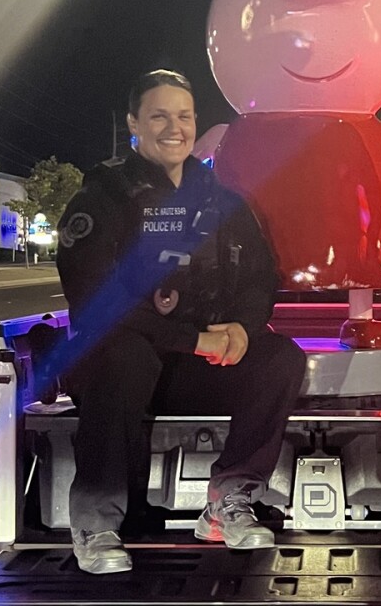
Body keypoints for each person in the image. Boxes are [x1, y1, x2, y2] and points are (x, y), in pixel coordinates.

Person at [54, 69, 307, 574]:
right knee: (121, 353)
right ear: (134, 123)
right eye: (160, 116)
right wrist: (191, 338)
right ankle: (96, 521)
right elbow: (99, 302)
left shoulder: (221, 199)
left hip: (198, 362)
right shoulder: (103, 198)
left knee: (281, 357)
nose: (175, 127)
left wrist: (241, 328)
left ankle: (227, 503)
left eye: (185, 116)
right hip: (124, 368)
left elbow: (261, 275)